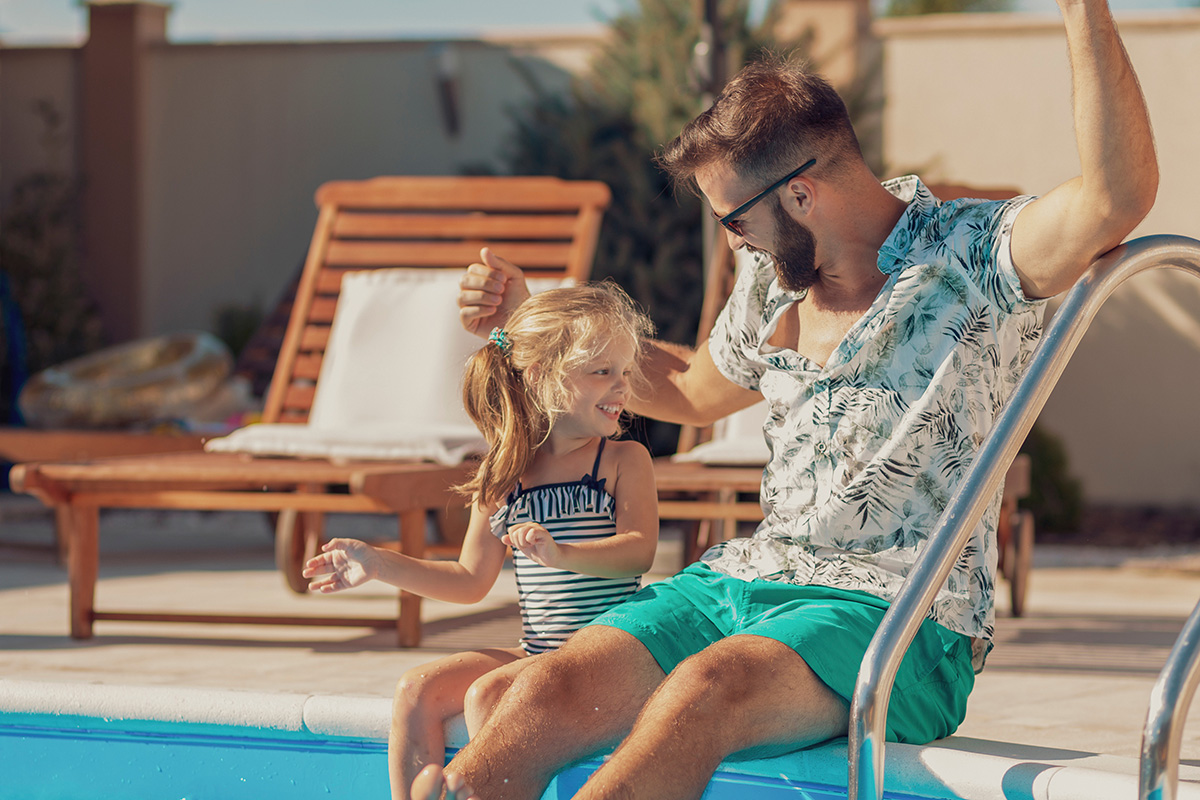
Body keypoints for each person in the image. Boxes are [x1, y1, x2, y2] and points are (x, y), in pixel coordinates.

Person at [428, 0, 1157, 797]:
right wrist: (533, 320)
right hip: (746, 580)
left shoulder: (975, 255)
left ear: (801, 196)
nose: (731, 241)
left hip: (900, 616)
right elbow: (691, 391)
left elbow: (1115, 198)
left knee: (704, 691)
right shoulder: (768, 284)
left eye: (733, 220)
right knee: (538, 692)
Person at [301, 282, 659, 800]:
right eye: (602, 371)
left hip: (608, 659)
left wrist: (564, 554)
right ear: (541, 376)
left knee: (490, 694)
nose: (621, 386)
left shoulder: (624, 462)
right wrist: (379, 564)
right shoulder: (504, 475)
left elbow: (639, 550)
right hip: (538, 651)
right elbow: (469, 581)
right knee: (416, 690)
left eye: (624, 371)